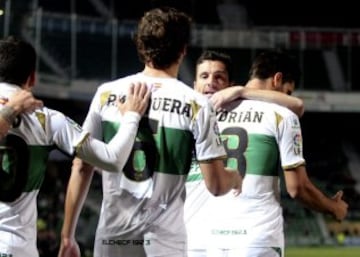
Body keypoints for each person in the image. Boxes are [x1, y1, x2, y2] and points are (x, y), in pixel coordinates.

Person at [58, 7, 242, 257]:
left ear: (141, 47)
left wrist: (67, 235)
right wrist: (234, 177)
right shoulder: (196, 103)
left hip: (114, 239)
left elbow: (81, 166)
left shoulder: (106, 93)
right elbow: (217, 186)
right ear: (183, 50)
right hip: (164, 242)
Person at [0, 36, 150, 257]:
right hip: (17, 248)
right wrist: (131, 117)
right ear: (32, 78)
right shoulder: (48, 119)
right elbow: (112, 159)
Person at [205, 49, 347, 257]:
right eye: (288, 91)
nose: (288, 98)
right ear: (277, 79)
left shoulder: (211, 110)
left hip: (209, 237)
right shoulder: (283, 115)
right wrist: (334, 208)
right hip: (257, 238)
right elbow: (297, 188)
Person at [185, 49, 306, 257]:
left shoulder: (199, 116)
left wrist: (242, 92)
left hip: (208, 237)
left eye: (218, 77)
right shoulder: (191, 116)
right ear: (194, 85)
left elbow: (297, 105)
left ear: (228, 86)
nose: (210, 83)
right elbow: (297, 105)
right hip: (207, 235)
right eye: (203, 77)